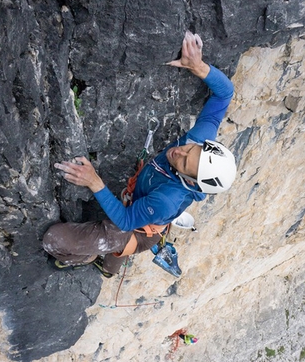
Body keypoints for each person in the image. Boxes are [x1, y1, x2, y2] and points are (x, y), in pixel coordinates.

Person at [43, 31, 237, 277]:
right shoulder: (197, 141)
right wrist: (198, 67)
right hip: (144, 208)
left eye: (185, 162)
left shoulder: (166, 199)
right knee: (120, 239)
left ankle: (90, 258)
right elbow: (224, 93)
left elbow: (125, 221)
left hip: (138, 228)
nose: (180, 151)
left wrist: (94, 182)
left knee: (54, 240)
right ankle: (108, 267)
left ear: (190, 181)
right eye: (191, 148)